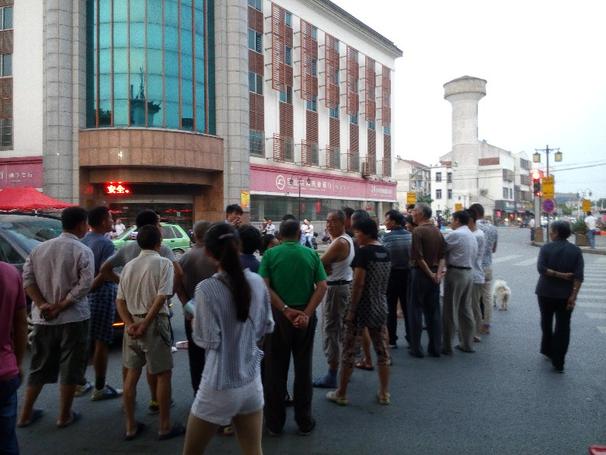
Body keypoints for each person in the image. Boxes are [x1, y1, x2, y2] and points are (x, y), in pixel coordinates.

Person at [182, 223, 274, 455]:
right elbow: (265, 327)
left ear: (208, 252)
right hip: (251, 383)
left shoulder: (206, 289)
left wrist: (195, 322)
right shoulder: (257, 282)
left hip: (218, 384)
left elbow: (206, 341)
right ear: (238, 245)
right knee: (253, 450)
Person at [99, 209, 184, 412]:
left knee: (131, 366)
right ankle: (156, 401)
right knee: (159, 366)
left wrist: (122, 284)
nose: (161, 227)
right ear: (153, 227)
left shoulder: (128, 248)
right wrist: (169, 293)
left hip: (131, 312)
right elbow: (179, 273)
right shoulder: (162, 250)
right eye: (159, 223)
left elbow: (104, 270)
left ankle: (128, 409)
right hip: (155, 313)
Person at [18, 207, 94, 428]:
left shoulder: (38, 249)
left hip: (43, 318)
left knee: (39, 365)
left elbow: (27, 280)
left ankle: (25, 414)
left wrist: (42, 304)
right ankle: (64, 415)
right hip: (74, 318)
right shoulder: (82, 250)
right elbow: (85, 285)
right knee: (71, 367)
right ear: (81, 224)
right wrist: (61, 305)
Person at [260, 219, 327, 436]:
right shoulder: (311, 254)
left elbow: (264, 287)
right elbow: (322, 286)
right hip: (305, 317)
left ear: (279, 235)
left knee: (275, 370)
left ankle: (274, 423)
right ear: (300, 234)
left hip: (278, 316)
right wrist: (306, 313)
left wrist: (285, 309)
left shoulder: (270, 255)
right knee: (303, 368)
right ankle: (304, 421)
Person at [116, 225, 183, 440]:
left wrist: (130, 324)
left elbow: (120, 300)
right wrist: (145, 323)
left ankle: (130, 426)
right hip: (154, 323)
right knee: (163, 374)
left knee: (131, 373)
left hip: (131, 325)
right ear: (159, 243)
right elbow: (162, 296)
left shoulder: (129, 266)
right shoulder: (163, 263)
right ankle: (164, 425)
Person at [326, 218, 391, 406]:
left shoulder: (364, 252)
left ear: (367, 233)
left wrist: (352, 310)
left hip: (362, 307)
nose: (356, 236)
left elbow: (358, 284)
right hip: (380, 305)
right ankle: (384, 393)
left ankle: (341, 393)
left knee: (349, 351)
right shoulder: (385, 251)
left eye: (358, 232)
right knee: (382, 351)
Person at [81, 206, 122, 401]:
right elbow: (105, 272)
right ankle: (99, 387)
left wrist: (83, 291)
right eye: (110, 218)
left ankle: (79, 382)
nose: (112, 221)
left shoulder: (84, 240)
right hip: (102, 294)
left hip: (83, 296)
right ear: (103, 221)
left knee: (85, 340)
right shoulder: (105, 243)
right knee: (101, 342)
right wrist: (122, 282)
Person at [313, 210, 354, 389]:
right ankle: (343, 370)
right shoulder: (345, 239)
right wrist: (323, 265)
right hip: (341, 286)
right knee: (339, 330)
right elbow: (322, 264)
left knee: (331, 330)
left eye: (333, 221)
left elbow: (317, 264)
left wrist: (322, 265)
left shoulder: (340, 242)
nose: (329, 225)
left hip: (336, 289)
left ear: (343, 223)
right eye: (327, 221)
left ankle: (332, 374)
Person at [535, 221, 584, 372]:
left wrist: (557, 274)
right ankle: (559, 361)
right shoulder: (576, 251)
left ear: (556, 232)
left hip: (545, 292)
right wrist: (573, 296)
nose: (550, 233)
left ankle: (547, 349)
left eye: (551, 230)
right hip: (565, 295)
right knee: (563, 327)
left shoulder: (546, 248)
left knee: (546, 321)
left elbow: (541, 269)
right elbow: (579, 277)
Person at [177, 221, 216, 395]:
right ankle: (215, 391)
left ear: (195, 235)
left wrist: (187, 304)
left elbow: (177, 286)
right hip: (215, 313)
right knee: (217, 354)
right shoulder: (215, 257)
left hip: (191, 314)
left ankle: (198, 391)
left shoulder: (185, 257)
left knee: (195, 355)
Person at [408, 203, 445, 358]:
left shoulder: (418, 231)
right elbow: (443, 256)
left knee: (415, 310)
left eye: (414, 211)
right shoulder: (437, 231)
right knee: (434, 311)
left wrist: (430, 273)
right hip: (435, 274)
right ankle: (435, 348)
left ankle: (416, 348)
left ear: (421, 214)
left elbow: (418, 257)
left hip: (421, 274)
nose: (412, 214)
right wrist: (437, 274)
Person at [0, 262, 28, 454]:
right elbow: (21, 324)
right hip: (5, 372)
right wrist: (18, 362)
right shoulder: (9, 272)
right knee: (6, 440)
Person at [442, 210, 478, 354]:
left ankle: (447, 346)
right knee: (465, 309)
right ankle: (467, 344)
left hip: (456, 273)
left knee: (450, 310)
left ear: (457, 220)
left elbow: (442, 249)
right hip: (469, 273)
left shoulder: (455, 234)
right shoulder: (471, 234)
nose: (451, 222)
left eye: (452, 219)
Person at [382, 209, 412, 349]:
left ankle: (392, 340)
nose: (385, 222)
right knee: (407, 308)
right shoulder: (410, 236)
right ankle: (411, 338)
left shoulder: (386, 238)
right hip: (408, 275)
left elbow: (383, 257)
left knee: (391, 307)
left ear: (393, 222)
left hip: (391, 276)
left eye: (387, 220)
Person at [469, 203, 498, 335]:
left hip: (475, 268)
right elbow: (494, 249)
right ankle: (486, 325)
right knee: (487, 297)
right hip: (487, 266)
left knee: (473, 299)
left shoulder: (473, 228)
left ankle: (473, 325)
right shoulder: (493, 228)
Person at [467, 210, 486, 343]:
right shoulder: (474, 233)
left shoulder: (477, 235)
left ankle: (477, 332)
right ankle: (470, 331)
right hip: (473, 272)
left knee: (474, 305)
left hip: (475, 274)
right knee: (470, 305)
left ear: (471, 221)